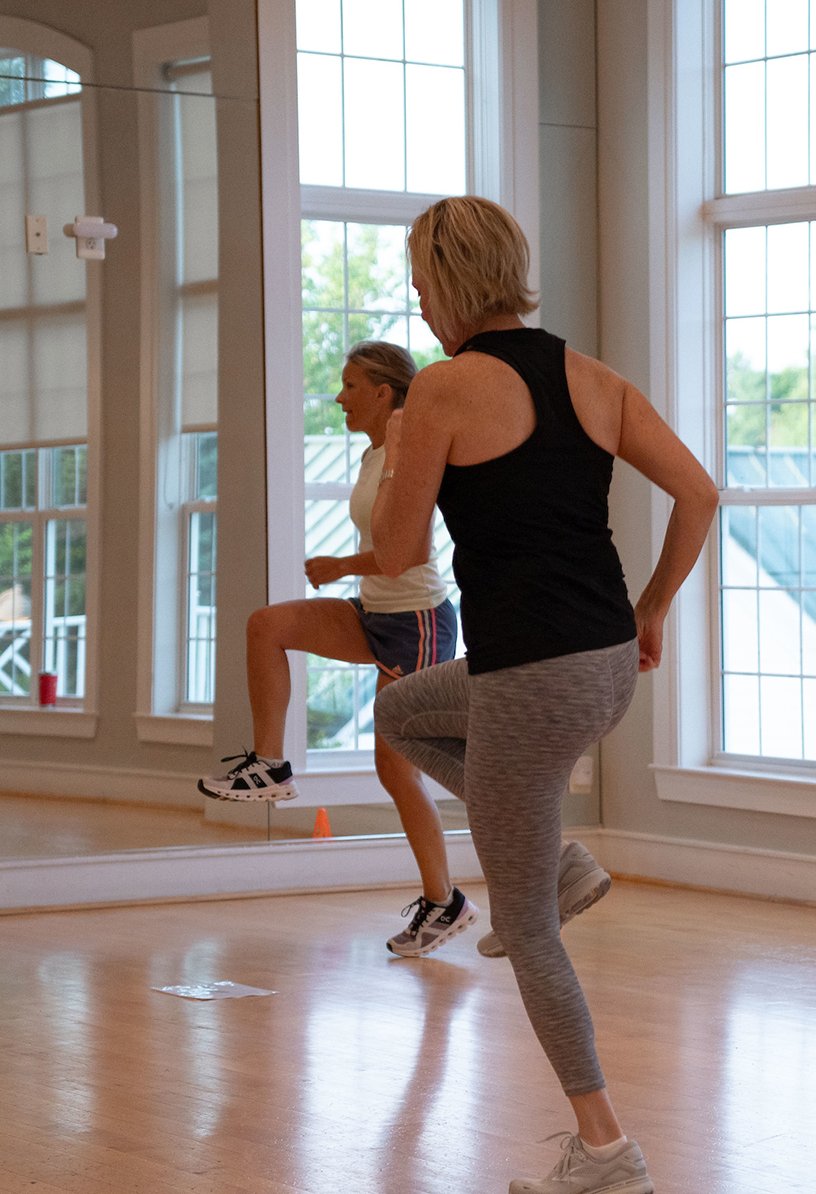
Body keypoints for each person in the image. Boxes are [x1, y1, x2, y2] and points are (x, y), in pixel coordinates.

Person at [371, 194, 716, 1194]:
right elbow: (699, 493)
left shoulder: (441, 389)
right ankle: (557, 858)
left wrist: (400, 442)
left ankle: (605, 1149)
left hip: (530, 678)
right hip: (604, 665)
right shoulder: (592, 377)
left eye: (422, 286)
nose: (420, 304)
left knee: (523, 932)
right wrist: (652, 608)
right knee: (401, 713)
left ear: (450, 283)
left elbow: (395, 553)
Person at [198, 341, 479, 959]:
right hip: (376, 611)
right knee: (267, 626)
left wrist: (340, 565)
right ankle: (270, 766)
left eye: (351, 386)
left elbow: (410, 553)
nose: (338, 396)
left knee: (398, 768)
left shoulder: (408, 446)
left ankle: (450, 897)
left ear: (383, 392)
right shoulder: (375, 451)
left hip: (417, 621)